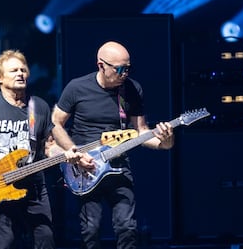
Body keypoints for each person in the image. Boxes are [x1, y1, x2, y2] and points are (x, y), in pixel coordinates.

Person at [51, 41, 175, 249]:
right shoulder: (77, 87)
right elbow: (55, 122)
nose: (124, 73)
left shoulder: (132, 89)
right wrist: (74, 152)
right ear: (101, 65)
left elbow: (142, 132)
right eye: (119, 69)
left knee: (127, 227)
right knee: (91, 229)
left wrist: (166, 142)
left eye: (128, 68)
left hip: (118, 165)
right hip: (86, 168)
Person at [0, 49, 78, 249]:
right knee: (6, 240)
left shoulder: (38, 107)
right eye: (14, 70)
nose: (20, 73)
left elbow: (49, 146)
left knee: (46, 238)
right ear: (0, 77)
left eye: (23, 69)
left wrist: (65, 155)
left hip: (33, 185)